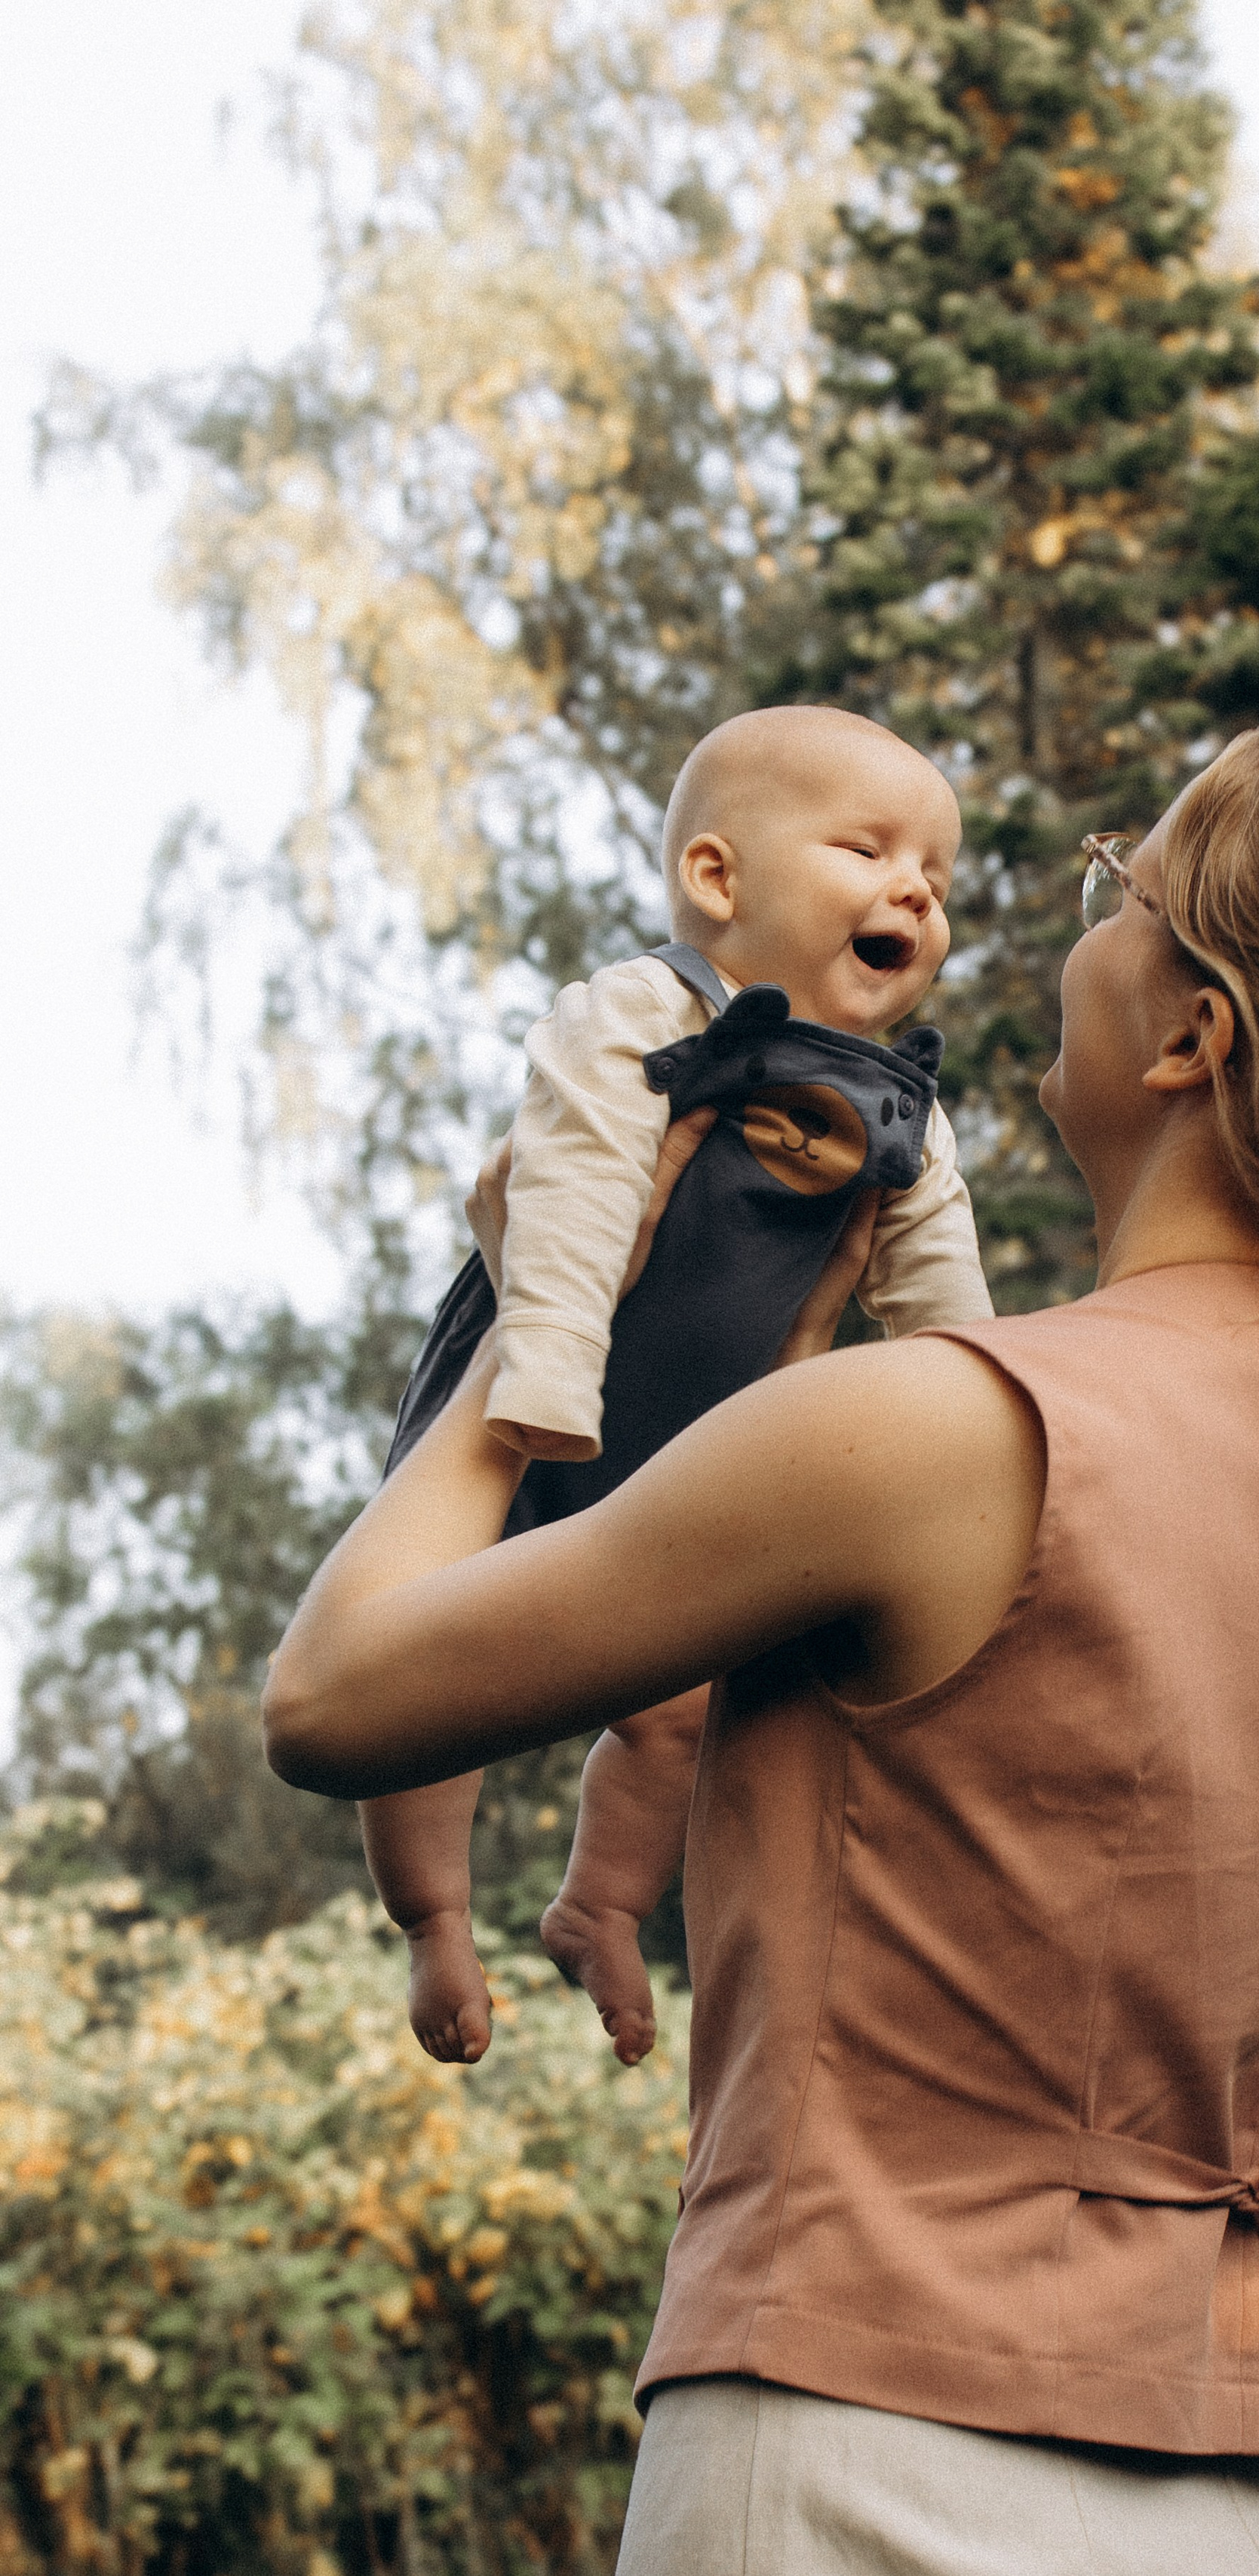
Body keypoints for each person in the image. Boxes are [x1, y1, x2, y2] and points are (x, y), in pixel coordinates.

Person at [265, 712, 1259, 2574]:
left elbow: (336, 1696)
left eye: (1116, 888)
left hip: (857, 2470)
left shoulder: (935, 1431)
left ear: (1187, 1035)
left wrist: (544, 1305)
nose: (1061, 926)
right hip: (1244, 2502)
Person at [358, 705, 994, 2069]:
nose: (918, 891)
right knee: (422, 1660)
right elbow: (580, 1189)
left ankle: (603, 1902)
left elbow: (951, 1317)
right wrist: (544, 1368)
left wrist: (988, 1440)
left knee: (680, 1708)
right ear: (719, 881)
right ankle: (432, 1919)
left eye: (937, 873)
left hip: (699, 1442)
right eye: (869, 849)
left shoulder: (904, 1113)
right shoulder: (648, 1013)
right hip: (545, 1377)